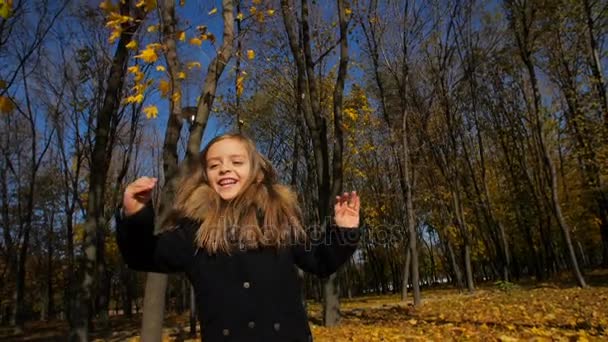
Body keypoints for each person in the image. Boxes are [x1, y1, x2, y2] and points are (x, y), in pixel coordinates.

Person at [115, 133, 361, 342]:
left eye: (236, 162)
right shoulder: (195, 230)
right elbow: (144, 256)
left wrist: (344, 232)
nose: (225, 169)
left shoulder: (279, 220)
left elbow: (319, 262)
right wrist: (136, 215)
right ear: (206, 177)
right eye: (214, 165)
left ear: (257, 173)